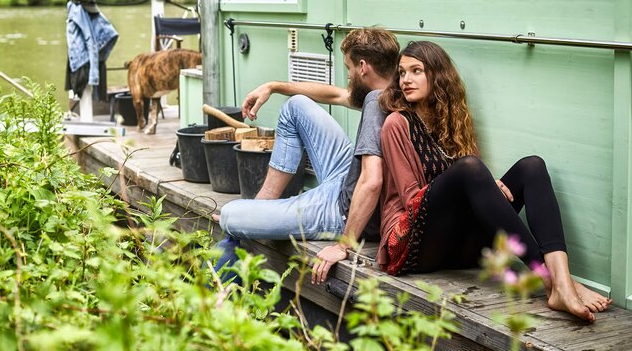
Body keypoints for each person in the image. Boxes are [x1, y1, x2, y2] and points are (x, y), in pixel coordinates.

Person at [377, 40, 612, 322]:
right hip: (414, 247)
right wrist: (474, 177)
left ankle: (563, 279)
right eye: (402, 73)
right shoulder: (396, 124)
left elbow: (470, 181)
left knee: (532, 167)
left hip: (461, 247)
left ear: (437, 75)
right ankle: (553, 282)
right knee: (471, 167)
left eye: (416, 71)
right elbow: (410, 199)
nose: (406, 80)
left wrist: (484, 184)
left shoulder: (453, 119)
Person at [215, 27, 400, 284]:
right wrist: (273, 86)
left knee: (230, 216)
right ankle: (262, 206)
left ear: (362, 66)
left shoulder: (375, 103)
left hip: (342, 210)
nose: (347, 77)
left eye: (348, 69)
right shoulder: (397, 91)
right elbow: (336, 95)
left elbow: (372, 182)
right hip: (346, 177)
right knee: (295, 106)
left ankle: (249, 224)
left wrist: (344, 245)